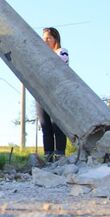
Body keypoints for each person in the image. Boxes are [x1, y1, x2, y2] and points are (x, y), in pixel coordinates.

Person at [36, 27, 69, 162]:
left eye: (48, 38)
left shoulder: (62, 52)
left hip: (57, 93)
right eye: (43, 38)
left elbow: (54, 67)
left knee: (58, 125)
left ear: (55, 39)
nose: (46, 41)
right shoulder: (39, 56)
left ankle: (60, 155)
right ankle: (48, 156)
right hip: (41, 93)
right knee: (45, 126)